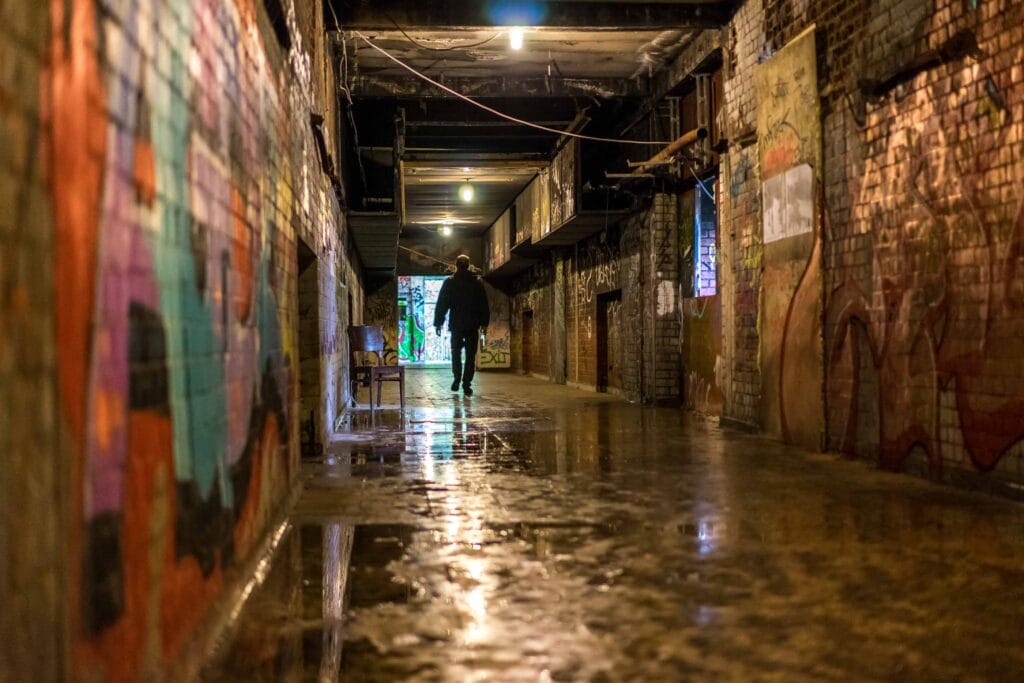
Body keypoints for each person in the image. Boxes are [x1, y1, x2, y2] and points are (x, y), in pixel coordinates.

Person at [434, 255, 490, 396]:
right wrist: (484, 323)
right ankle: (467, 384)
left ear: (456, 265)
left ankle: (457, 378)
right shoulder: (477, 283)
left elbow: (442, 304)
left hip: (456, 325)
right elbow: (483, 304)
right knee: (470, 356)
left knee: (456, 353)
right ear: (469, 265)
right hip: (472, 325)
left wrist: (438, 323)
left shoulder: (450, 282)